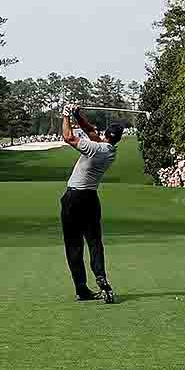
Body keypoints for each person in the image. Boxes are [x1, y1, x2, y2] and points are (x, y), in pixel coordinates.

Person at [60, 105, 122, 304]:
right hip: (91, 200)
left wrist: (65, 114)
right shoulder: (110, 151)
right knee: (95, 242)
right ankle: (101, 276)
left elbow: (68, 137)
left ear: (105, 134)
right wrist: (78, 114)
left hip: (74, 199)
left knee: (74, 245)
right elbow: (90, 131)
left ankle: (81, 289)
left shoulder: (96, 148)